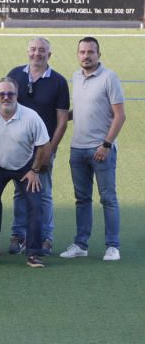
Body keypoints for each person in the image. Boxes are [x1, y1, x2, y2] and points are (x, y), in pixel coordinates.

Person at [0, 77, 50, 268]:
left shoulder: (31, 117)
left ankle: (33, 254)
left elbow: (43, 145)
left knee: (35, 206)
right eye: (1, 94)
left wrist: (34, 170)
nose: (6, 97)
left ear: (17, 94)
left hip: (26, 166)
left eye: (10, 93)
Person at [60, 37, 126, 262]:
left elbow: (120, 115)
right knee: (82, 199)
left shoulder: (109, 78)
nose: (86, 56)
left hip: (101, 150)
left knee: (108, 199)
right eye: (82, 52)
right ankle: (81, 244)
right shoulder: (76, 77)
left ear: (99, 54)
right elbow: (78, 110)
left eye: (90, 52)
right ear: (78, 54)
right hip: (77, 150)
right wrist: (58, 117)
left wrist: (106, 144)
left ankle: (112, 246)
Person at [6, 37, 69, 255]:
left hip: (43, 148)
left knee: (43, 192)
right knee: (19, 192)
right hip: (19, 148)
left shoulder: (58, 81)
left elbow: (62, 120)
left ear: (49, 55)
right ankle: (19, 235)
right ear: (27, 52)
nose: (37, 53)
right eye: (33, 49)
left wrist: (50, 148)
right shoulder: (15, 75)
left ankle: (45, 238)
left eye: (42, 50)